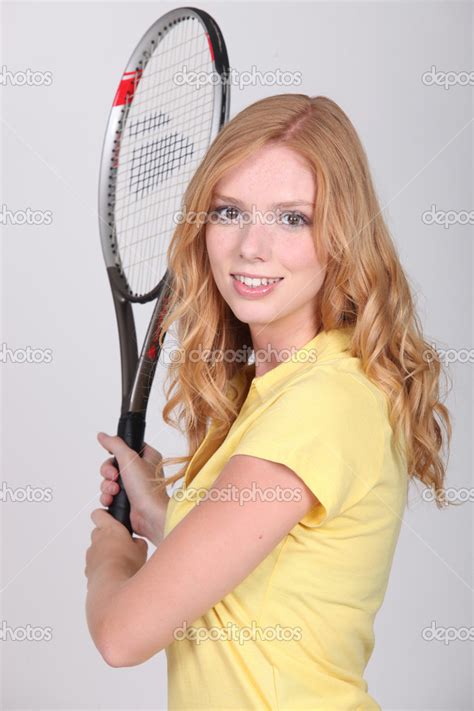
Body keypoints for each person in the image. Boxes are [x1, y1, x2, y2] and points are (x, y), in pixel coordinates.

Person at [85, 94, 453, 710]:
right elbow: (246, 579)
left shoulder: (323, 404)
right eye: (230, 212)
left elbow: (121, 637)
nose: (252, 247)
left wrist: (112, 554)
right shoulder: (284, 388)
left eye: (292, 219)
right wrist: (156, 514)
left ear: (342, 234)